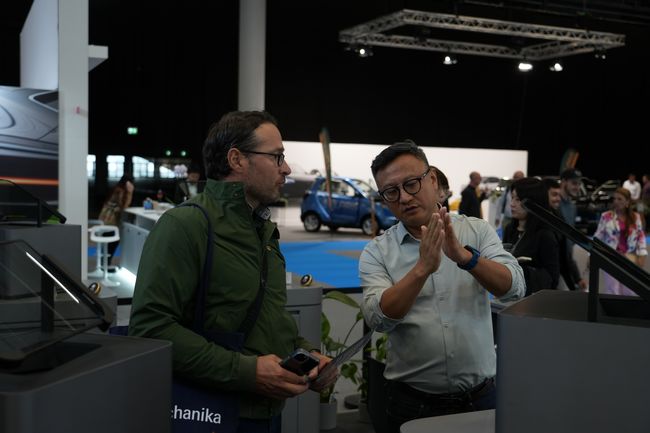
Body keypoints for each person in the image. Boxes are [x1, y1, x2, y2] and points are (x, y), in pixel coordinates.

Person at [128, 110, 336, 433]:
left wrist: (307, 354)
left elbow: (268, 317)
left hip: (267, 413)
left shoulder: (262, 230)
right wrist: (247, 372)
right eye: (277, 156)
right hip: (210, 415)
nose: (286, 169)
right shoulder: (185, 225)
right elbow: (150, 328)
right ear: (237, 160)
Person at [358, 141, 525, 433]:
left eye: (411, 184)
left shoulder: (476, 231)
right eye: (391, 192)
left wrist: (466, 258)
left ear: (433, 180)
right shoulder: (377, 252)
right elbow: (377, 318)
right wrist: (422, 269)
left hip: (480, 398)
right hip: (411, 402)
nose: (404, 198)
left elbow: (514, 287)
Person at [502, 177, 560, 295]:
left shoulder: (545, 235)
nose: (512, 204)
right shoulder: (510, 229)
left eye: (518, 199)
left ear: (533, 202)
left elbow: (552, 278)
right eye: (512, 198)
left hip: (531, 299)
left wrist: (523, 270)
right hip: (507, 295)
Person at [593, 187, 647, 296]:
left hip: (630, 259)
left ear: (627, 202)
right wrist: (591, 254)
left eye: (620, 199)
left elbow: (640, 237)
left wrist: (642, 255)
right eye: (614, 199)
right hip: (611, 258)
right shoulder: (606, 216)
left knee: (630, 291)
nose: (616, 202)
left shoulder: (636, 217)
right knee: (613, 291)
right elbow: (597, 237)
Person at [542, 177, 587, 291]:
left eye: (558, 195)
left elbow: (564, 252)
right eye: (554, 195)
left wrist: (576, 278)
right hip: (542, 284)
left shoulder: (558, 217)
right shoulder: (536, 221)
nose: (558, 199)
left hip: (554, 279)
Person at [97, 174, 134, 266]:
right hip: (110, 220)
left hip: (105, 218)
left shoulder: (116, 189)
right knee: (112, 242)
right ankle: (105, 264)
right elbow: (124, 206)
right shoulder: (121, 191)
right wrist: (130, 192)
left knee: (108, 242)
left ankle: (104, 264)